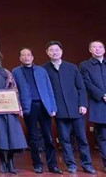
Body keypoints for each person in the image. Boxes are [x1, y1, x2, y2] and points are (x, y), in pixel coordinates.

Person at [43, 41, 95, 174]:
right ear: (47, 52)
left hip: (76, 109)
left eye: (57, 49)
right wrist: (51, 108)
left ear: (61, 51)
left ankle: (87, 164)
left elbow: (81, 87)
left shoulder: (72, 67)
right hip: (58, 110)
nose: (54, 52)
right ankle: (71, 164)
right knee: (64, 140)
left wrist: (83, 104)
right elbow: (45, 91)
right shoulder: (44, 69)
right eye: (51, 50)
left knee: (82, 138)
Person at [12, 48, 62, 174]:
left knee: (48, 137)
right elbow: (15, 91)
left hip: (44, 106)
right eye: (23, 55)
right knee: (33, 137)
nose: (26, 57)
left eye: (28, 55)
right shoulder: (16, 72)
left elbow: (49, 89)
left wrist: (53, 107)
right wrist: (18, 107)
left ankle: (52, 165)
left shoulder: (41, 71)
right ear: (20, 58)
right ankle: (37, 164)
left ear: (32, 57)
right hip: (29, 107)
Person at [80, 40, 106, 173]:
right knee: (103, 136)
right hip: (99, 103)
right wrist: (102, 95)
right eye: (94, 47)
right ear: (90, 50)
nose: (98, 49)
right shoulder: (85, 65)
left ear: (104, 49)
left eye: (100, 47)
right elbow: (87, 83)